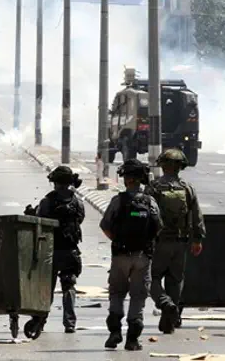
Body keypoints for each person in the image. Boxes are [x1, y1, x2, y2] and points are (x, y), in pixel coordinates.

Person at [100, 159, 162, 351]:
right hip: (143, 257)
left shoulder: (118, 201)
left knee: (117, 293)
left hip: (120, 255)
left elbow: (105, 226)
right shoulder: (150, 202)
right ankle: (132, 340)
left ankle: (114, 333)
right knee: (138, 296)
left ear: (126, 179)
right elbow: (158, 227)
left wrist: (118, 241)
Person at [145, 149, 205, 334]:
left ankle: (165, 304)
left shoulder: (153, 188)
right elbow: (196, 216)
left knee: (151, 279)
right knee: (175, 280)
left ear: (163, 165)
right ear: (180, 166)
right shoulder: (187, 188)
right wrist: (198, 239)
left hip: (159, 243)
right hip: (180, 243)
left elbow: (146, 216)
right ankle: (169, 320)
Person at [24, 166, 85, 335]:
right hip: (70, 251)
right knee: (69, 285)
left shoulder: (47, 201)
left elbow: (40, 221)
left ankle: (40, 321)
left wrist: (31, 214)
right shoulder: (77, 202)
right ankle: (70, 323)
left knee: (45, 288)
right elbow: (79, 219)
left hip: (50, 251)